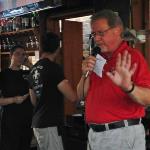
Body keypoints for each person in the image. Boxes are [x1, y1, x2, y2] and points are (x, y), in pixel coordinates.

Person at [77, 9, 150, 150]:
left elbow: (148, 99)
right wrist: (84, 74)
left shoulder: (132, 57)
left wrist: (129, 87)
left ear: (117, 30)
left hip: (122, 134)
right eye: (94, 34)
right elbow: (80, 96)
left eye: (101, 33)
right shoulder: (97, 58)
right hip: (94, 135)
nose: (96, 38)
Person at [28, 32, 78, 150]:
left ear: (42, 48)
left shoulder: (33, 69)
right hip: (50, 123)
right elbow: (72, 97)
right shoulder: (54, 68)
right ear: (57, 49)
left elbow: (33, 100)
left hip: (37, 123)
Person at [0, 45, 33, 150]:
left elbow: (41, 79)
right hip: (10, 122)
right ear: (11, 56)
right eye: (17, 54)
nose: (21, 57)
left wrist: (30, 65)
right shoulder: (3, 74)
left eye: (23, 54)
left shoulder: (27, 73)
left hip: (27, 120)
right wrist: (13, 100)